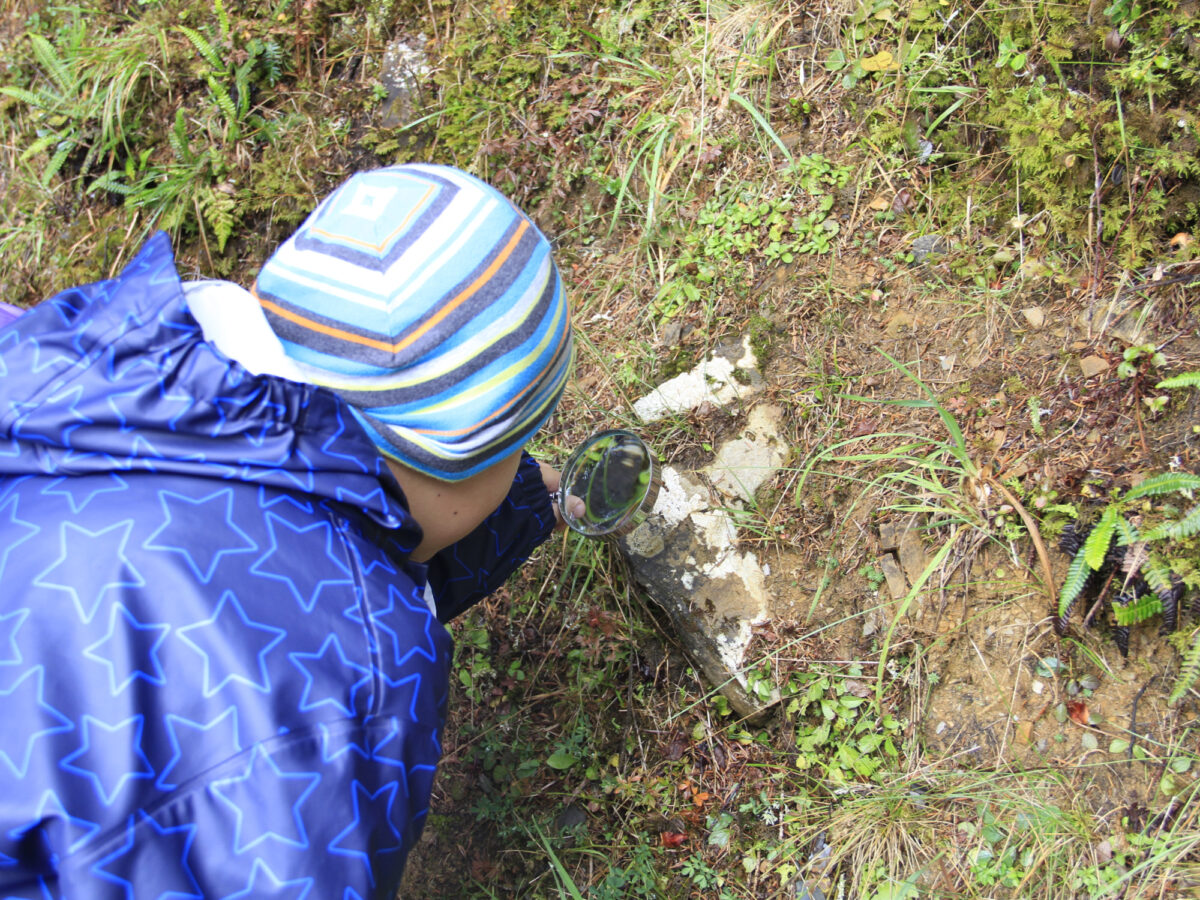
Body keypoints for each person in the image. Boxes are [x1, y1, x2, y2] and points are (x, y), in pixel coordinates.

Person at [0, 163, 572, 898]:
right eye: (514, 446)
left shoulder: (74, 372)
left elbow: (302, 551)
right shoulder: (348, 689)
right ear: (458, 458)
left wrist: (523, 502)